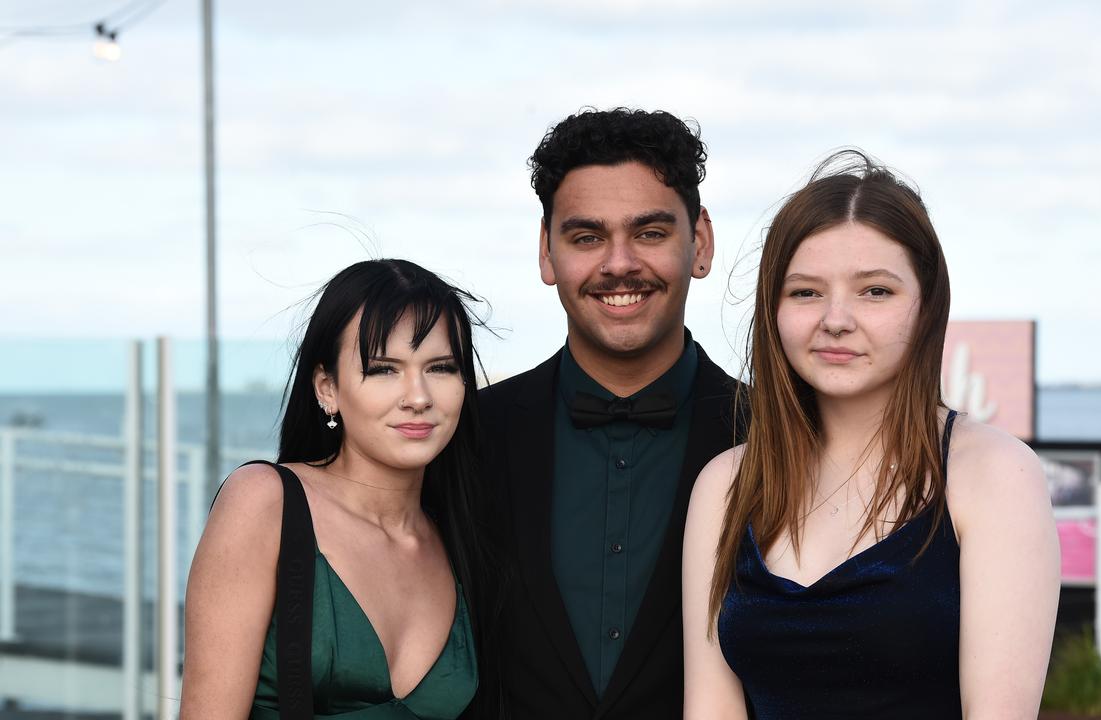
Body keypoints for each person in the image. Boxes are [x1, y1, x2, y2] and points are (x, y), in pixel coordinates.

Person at [683, 151, 1060, 719]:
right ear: (773, 307)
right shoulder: (727, 484)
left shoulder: (992, 474)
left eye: (875, 291)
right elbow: (710, 709)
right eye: (805, 292)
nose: (836, 318)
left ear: (927, 305)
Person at [477, 107, 740, 719]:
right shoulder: (468, 439)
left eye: (649, 233)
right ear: (547, 253)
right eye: (586, 237)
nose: (618, 263)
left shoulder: (779, 438)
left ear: (698, 243)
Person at [181, 259, 491, 719]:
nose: (419, 396)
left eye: (441, 367)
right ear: (327, 388)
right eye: (384, 369)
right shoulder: (265, 502)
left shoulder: (462, 538)